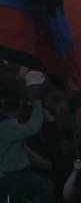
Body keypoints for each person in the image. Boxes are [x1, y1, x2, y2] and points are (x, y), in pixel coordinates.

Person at [0, 71, 52, 203]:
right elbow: (32, 129)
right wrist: (37, 102)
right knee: (46, 188)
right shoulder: (6, 125)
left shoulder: (10, 124)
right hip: (10, 176)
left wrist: (45, 164)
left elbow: (24, 151)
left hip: (20, 173)